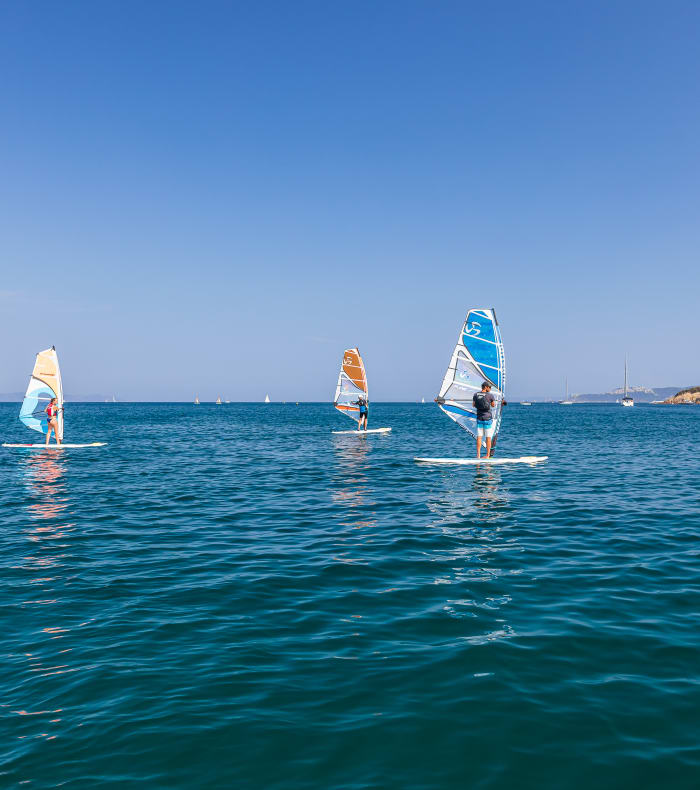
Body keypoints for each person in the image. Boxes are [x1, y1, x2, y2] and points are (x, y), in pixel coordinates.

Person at [473, 381, 496, 459]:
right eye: (489, 387)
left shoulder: (476, 395)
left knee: (479, 437)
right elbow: (493, 405)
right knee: (488, 437)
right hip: (487, 419)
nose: (490, 389)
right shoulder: (490, 395)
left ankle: (478, 455)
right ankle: (487, 455)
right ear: (486, 387)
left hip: (479, 418)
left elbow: (474, 405)